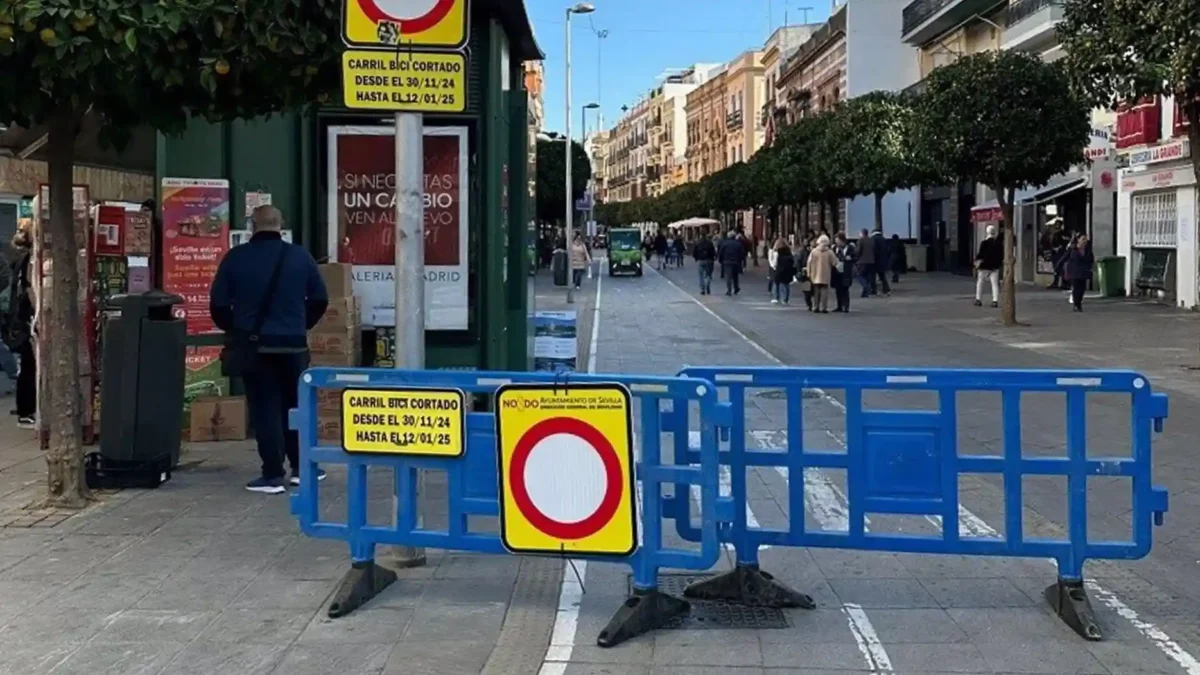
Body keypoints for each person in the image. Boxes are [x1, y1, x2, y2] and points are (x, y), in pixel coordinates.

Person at [210, 206, 329, 494]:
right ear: (281, 223)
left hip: (256, 346)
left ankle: (273, 474)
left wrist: (238, 329)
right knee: (295, 406)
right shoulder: (300, 257)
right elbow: (320, 299)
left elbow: (218, 305)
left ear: (252, 225)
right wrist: (301, 325)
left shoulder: (236, 258)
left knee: (265, 409)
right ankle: (303, 468)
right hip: (294, 346)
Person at [6, 229, 35, 428]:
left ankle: (25, 408)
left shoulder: (18, 263)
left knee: (26, 365)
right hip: (25, 320)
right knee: (28, 365)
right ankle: (25, 410)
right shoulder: (27, 263)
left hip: (17, 319)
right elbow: (27, 292)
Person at [973, 224, 1003, 308]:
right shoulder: (999, 244)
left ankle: (978, 299)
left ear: (987, 232)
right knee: (994, 284)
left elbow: (980, 254)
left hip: (984, 266)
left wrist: (976, 261)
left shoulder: (984, 243)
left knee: (980, 283)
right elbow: (1001, 256)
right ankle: (995, 300)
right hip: (994, 267)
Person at [806, 235, 837, 313]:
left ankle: (815, 307)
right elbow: (834, 263)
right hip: (825, 274)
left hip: (815, 274)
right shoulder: (830, 252)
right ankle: (824, 307)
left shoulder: (813, 252)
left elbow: (809, 263)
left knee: (816, 291)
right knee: (825, 291)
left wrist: (808, 273)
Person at [1065, 234, 1094, 312]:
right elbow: (1064, 258)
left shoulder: (1087, 250)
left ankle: (1079, 302)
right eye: (1083, 239)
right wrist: (1057, 268)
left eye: (1085, 239)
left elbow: (1091, 259)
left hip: (1083, 272)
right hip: (1074, 272)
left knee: (1082, 289)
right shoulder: (1073, 249)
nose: (1085, 241)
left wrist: (1090, 267)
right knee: (1076, 289)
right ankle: (1076, 305)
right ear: (1078, 240)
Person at [832, 232, 857, 313]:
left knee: (845, 288)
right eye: (836, 241)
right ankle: (839, 306)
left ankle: (846, 306)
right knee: (838, 289)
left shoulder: (850, 248)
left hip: (846, 270)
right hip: (837, 271)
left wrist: (851, 258)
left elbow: (855, 257)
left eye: (838, 241)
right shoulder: (835, 248)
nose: (837, 243)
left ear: (842, 240)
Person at [718, 231, 745, 295]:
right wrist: (741, 261)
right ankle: (736, 288)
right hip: (736, 262)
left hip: (727, 261)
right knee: (735, 276)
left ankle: (729, 290)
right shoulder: (738, 244)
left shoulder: (725, 243)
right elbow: (742, 254)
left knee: (728, 276)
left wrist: (720, 260)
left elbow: (721, 253)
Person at [771, 240, 796, 305]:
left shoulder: (777, 253)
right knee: (786, 284)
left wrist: (774, 267)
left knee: (776, 283)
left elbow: (774, 263)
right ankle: (785, 299)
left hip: (779, 270)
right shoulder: (789, 252)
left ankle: (776, 298)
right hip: (788, 270)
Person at [855, 228, 875, 298]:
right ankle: (865, 293)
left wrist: (855, 257)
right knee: (866, 276)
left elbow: (858, 251)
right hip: (871, 261)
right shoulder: (871, 240)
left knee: (858, 275)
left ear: (862, 233)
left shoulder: (860, 240)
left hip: (862, 261)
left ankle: (866, 287)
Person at [871, 230, 892, 296]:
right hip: (882, 261)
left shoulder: (873, 239)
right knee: (882, 276)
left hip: (874, 261)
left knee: (872, 276)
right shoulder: (883, 239)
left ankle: (873, 290)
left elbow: (873, 249)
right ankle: (886, 290)